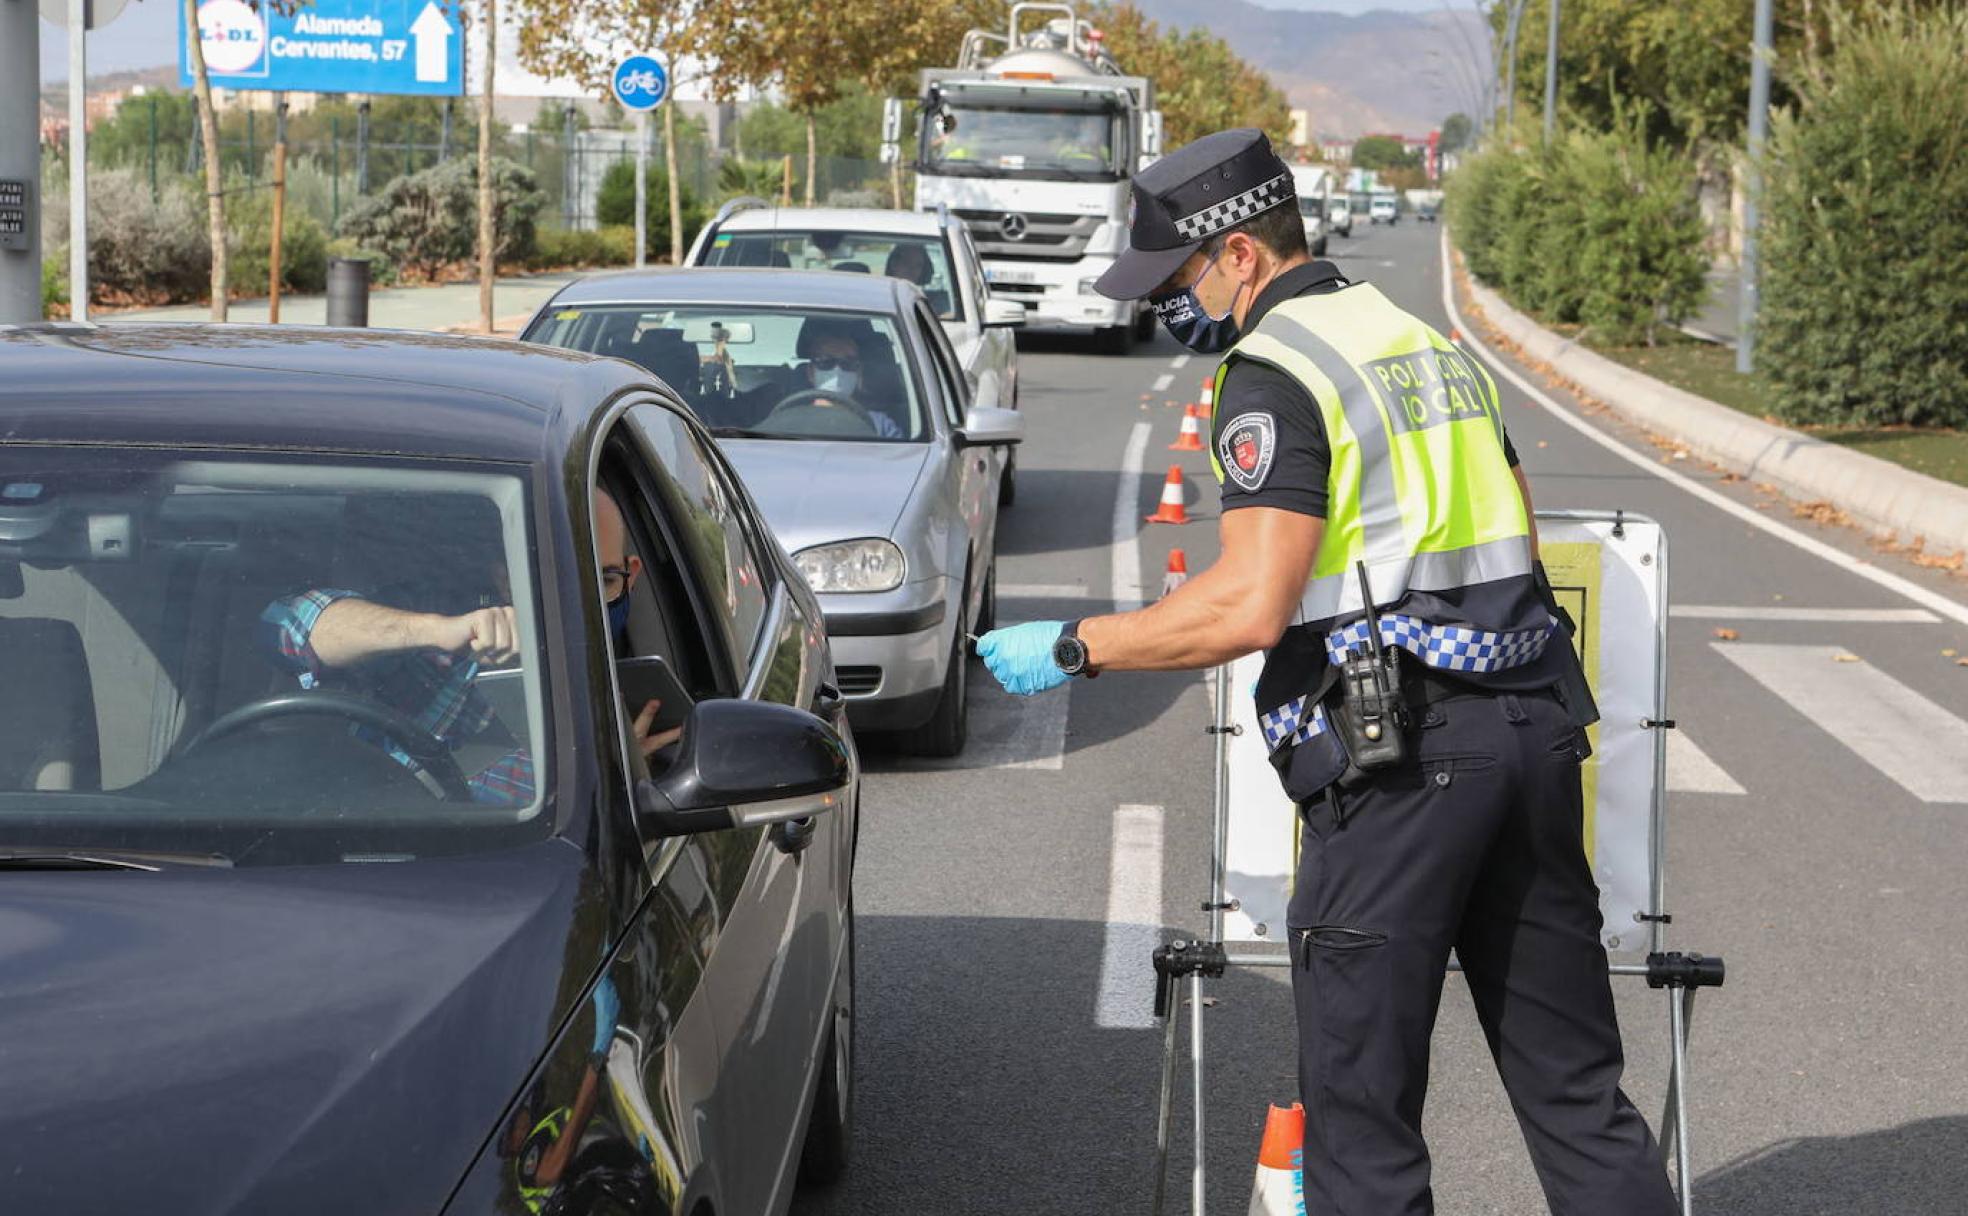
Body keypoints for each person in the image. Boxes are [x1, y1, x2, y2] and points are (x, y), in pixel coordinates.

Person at [975, 128, 1678, 1216]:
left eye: (1177, 278)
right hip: (1532, 734)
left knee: (1360, 1115)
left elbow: (1253, 601)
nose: (1172, 305)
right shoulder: (1421, 342)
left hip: (1405, 766)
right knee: (1576, 1089)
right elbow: (1519, 538)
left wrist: (1079, 645)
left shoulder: (1275, 371)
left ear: (1241, 254)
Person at [259, 490, 679, 805]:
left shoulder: (632, 704)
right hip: (319, 839)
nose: (579, 601)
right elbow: (288, 622)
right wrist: (436, 630)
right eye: (555, 579)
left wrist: (615, 770)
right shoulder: (433, 650)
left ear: (631, 575)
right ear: (504, 577)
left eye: (602, 581)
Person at [792, 319, 906, 439]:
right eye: (826, 362)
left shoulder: (880, 426)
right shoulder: (789, 422)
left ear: (859, 372)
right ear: (810, 372)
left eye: (848, 363)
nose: (837, 370)